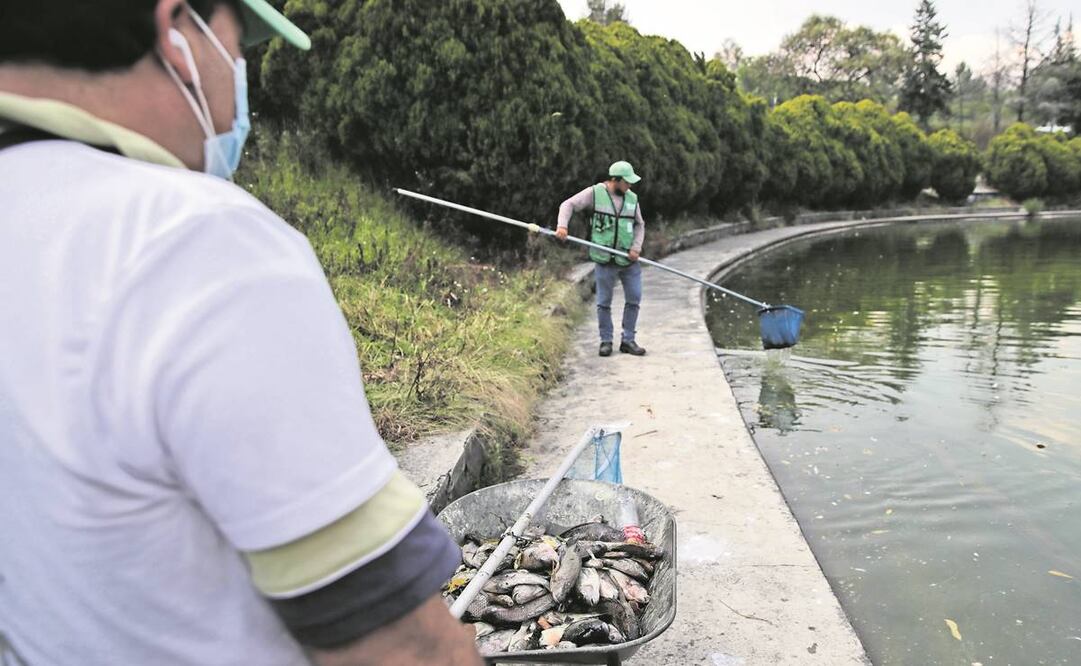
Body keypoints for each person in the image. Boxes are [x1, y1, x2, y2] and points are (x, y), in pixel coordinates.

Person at [0, 2, 481, 665]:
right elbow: (400, 647)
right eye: (240, 48)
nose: (240, 91)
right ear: (177, 31)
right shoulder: (192, 240)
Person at [557, 161, 648, 357]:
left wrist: (636, 247)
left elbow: (640, 225)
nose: (629, 186)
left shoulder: (632, 198)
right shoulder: (595, 193)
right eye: (626, 182)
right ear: (615, 180)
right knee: (603, 302)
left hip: (628, 259)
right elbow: (568, 204)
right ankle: (606, 341)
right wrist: (562, 226)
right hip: (604, 259)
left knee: (634, 298)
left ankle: (628, 340)